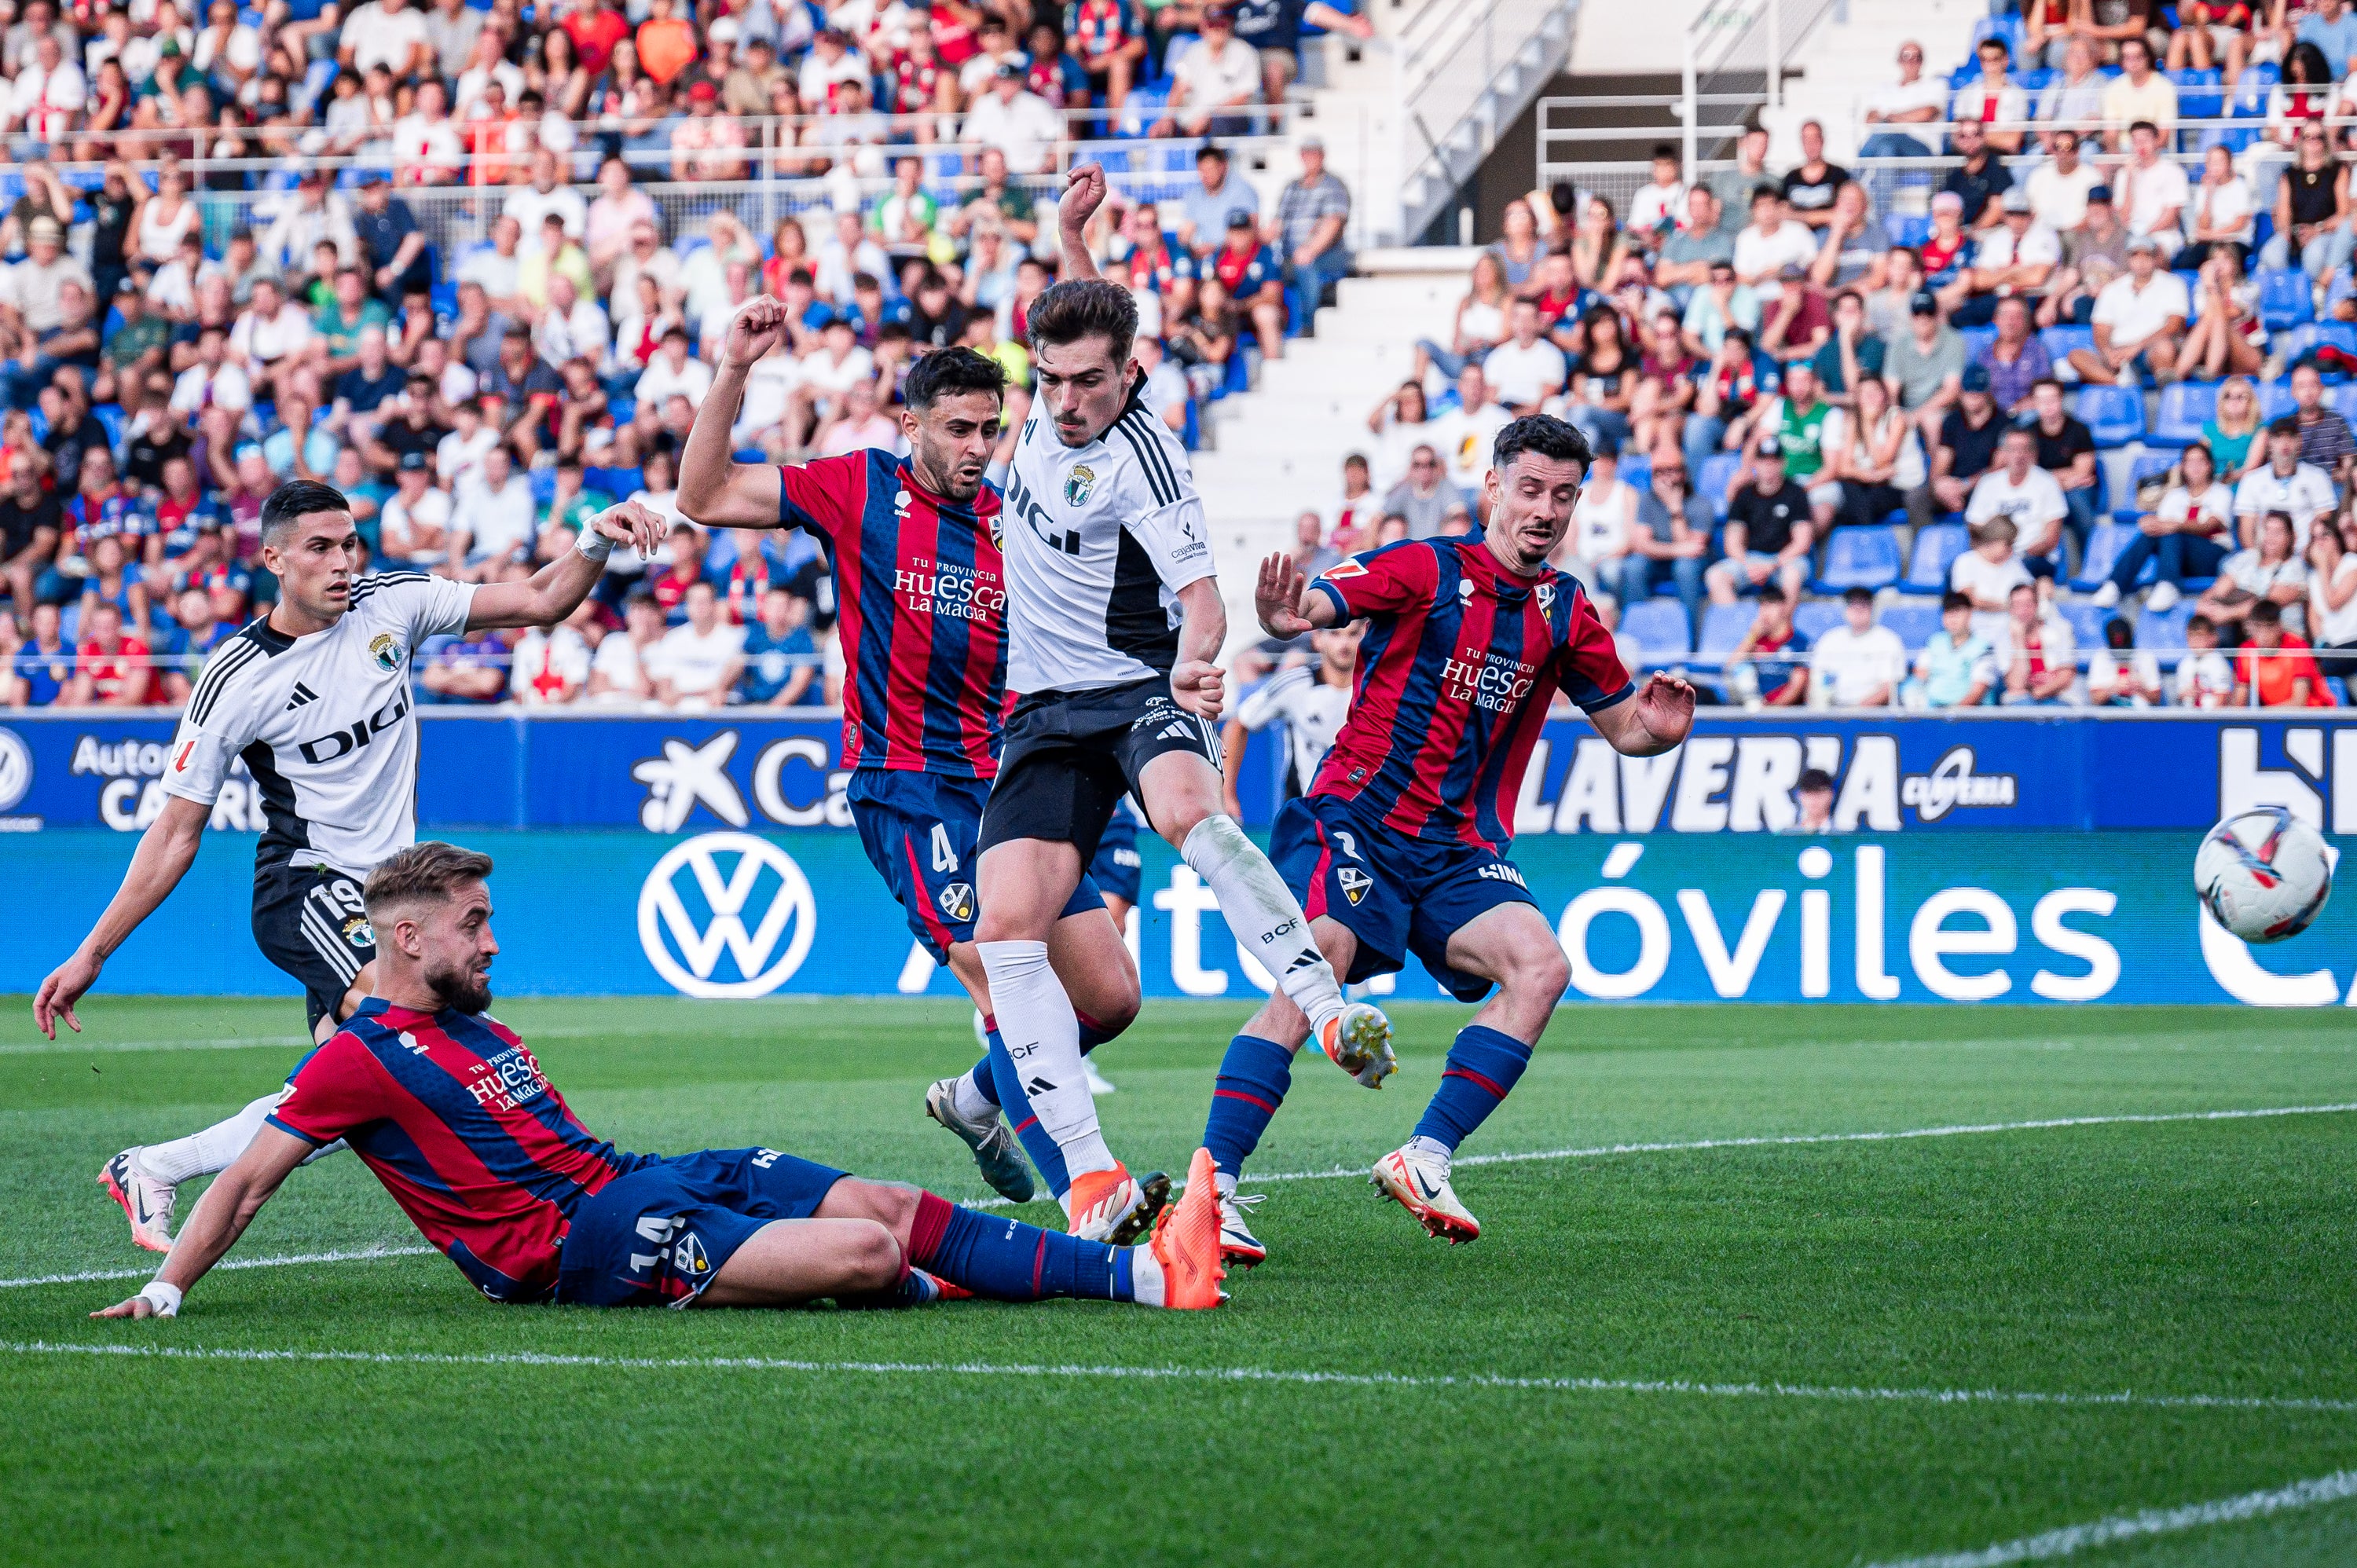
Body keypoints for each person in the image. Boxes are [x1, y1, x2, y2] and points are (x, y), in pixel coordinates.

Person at [91, 843, 1226, 1321]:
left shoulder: (479, 1031)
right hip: (576, 1252)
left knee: (884, 1205)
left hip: (635, 1185)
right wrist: (169, 1290)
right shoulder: (359, 1059)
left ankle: (1141, 1276)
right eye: (472, 924)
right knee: (876, 1252)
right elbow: (247, 1182)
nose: (491, 942)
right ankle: (961, 1284)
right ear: (403, 934)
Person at [39, 481, 663, 1253]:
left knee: (372, 1082)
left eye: (350, 544)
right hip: (308, 885)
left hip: (396, 887)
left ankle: (156, 1165)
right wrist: (91, 952)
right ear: (273, 558)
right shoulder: (234, 677)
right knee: (416, 1043)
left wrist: (595, 539)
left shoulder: (392, 602)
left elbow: (539, 597)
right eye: (321, 548)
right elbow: (174, 833)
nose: (343, 563)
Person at [1193, 413, 1693, 1255]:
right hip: (1358, 819)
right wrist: (1286, 616)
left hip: (1460, 850)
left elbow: (1626, 730)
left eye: (1563, 496)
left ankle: (1423, 1157)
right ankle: (1217, 1190)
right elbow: (1318, 603)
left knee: (1542, 968)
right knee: (1322, 960)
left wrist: (1662, 729)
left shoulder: (1564, 609)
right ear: (1492, 488)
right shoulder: (1427, 566)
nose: (1544, 510)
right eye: (1530, 489)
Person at [1225, 620, 1361, 808]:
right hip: (1306, 811)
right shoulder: (1295, 684)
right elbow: (1239, 723)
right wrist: (1226, 793)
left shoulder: (1380, 689)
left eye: (1352, 634)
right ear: (1318, 639)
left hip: (1363, 810)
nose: (1344, 644)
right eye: (1335, 634)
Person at [2093, 439, 2235, 610]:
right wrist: (2149, 523)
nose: (2195, 467)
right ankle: (2115, 585)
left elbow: (2210, 525)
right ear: (2182, 467)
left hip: (2212, 555)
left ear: (2210, 466)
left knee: (2171, 531)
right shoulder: (2174, 496)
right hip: (2179, 559)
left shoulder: (2221, 492)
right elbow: (2161, 527)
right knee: (2153, 534)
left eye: (2200, 461)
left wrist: (2174, 525)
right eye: (2190, 462)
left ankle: (2168, 584)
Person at [2066, 236, 2188, 386]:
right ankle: (2119, 383)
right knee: (2076, 356)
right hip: (2119, 350)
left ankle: (2163, 390)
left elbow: (2173, 325)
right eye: (2135, 255)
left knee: (2165, 348)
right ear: (2128, 259)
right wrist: (2107, 352)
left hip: (2151, 348)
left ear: (2154, 258)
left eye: (2146, 255)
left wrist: (2136, 347)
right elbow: (2101, 329)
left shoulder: (2173, 284)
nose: (2141, 261)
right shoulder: (2112, 289)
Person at [1706, 434, 1813, 604]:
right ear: (1755, 463)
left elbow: (1802, 542)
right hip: (1751, 559)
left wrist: (1772, 565)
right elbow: (1732, 542)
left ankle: (1782, 628)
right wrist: (1748, 565)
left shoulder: (1796, 494)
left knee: (1792, 576)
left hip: (1784, 560)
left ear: (1783, 463)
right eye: (1764, 461)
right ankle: (1740, 627)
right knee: (1715, 576)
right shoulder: (1744, 495)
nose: (1769, 467)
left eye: (1774, 461)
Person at [1272, 136, 1351, 336]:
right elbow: (1276, 225)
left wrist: (1310, 250)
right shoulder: (1291, 188)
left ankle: (1309, 325)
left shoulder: (1333, 186)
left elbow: (1333, 224)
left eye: (1314, 154)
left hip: (1327, 255)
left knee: (1305, 265)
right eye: (1306, 153)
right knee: (1262, 267)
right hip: (1290, 255)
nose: (1310, 158)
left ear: (1322, 156)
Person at [1618, 448, 1708, 623]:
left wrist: (1675, 509)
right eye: (1659, 472)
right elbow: (1641, 545)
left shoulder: (1701, 504)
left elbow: (1694, 549)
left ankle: (1690, 636)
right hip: (1658, 561)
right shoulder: (1646, 500)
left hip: (1692, 564)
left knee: (1685, 567)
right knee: (1634, 566)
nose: (1666, 477)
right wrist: (1679, 550)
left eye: (1672, 470)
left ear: (1684, 473)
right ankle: (1636, 628)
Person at [2261, 125, 2352, 281]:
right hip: (2297, 231)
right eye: (2307, 137)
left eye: (2319, 137)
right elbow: (2283, 211)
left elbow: (2344, 213)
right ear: (2300, 141)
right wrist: (2288, 232)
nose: (2313, 141)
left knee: (2314, 256)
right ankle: (2291, 293)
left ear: (2325, 141)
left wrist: (2318, 229)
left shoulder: (2338, 170)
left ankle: (2315, 297)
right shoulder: (2289, 174)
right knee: (2271, 254)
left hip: (2326, 231)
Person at [2200, 508, 2310, 636]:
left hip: (2282, 636)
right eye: (2267, 530)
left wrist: (2227, 613)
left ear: (2291, 537)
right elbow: (2218, 590)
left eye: (2278, 532)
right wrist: (2205, 605)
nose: (2270, 537)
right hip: (2243, 630)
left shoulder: (2295, 566)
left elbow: (2266, 604)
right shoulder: (2248, 558)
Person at [2232, 416, 2337, 544]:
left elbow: (2324, 521)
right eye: (2279, 437)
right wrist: (2254, 557)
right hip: (2264, 554)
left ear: (2299, 441)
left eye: (2290, 437)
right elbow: (2246, 527)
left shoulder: (2317, 477)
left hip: (2305, 554)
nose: (2285, 443)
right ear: (2269, 442)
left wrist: (2309, 554)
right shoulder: (2252, 480)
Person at [1806, 587, 1904, 706]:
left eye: (1863, 604)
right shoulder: (1830, 639)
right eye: (1852, 604)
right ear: (1845, 609)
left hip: (1873, 714)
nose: (1858, 609)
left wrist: (1856, 711)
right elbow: (1817, 679)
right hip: (1833, 710)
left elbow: (1888, 688)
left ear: (1872, 608)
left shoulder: (1888, 640)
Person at [2234, 599, 2337, 705]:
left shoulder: (2298, 648)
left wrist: (2261, 716)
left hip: (2314, 715)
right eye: (2258, 628)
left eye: (2269, 627)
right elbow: (2239, 702)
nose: (2264, 635)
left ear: (2279, 627)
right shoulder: (2247, 651)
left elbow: (2299, 702)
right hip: (2274, 717)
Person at [1906, 591, 1995, 709]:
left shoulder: (1984, 648)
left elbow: (1978, 691)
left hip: (1967, 717)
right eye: (1948, 612)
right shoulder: (1934, 642)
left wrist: (1952, 715)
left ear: (1970, 614)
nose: (1952, 618)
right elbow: (1920, 674)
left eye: (1957, 612)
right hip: (1933, 711)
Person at [1995, 581, 2078, 705]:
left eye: (2028, 604)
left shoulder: (2061, 629)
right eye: (2018, 605)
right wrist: (2019, 640)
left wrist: (2039, 692)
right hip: (2022, 701)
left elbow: (2066, 676)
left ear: (2037, 605)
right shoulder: (2003, 637)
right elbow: (2017, 684)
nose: (2023, 610)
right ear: (2010, 609)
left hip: (2058, 696)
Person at [1858, 41, 1944, 158]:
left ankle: (1859, 167)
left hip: (1921, 145)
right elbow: (1870, 119)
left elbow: (1927, 113)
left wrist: (1889, 119)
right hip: (1889, 142)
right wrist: (1903, 118)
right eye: (1906, 56)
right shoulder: (1885, 88)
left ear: (1922, 61)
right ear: (1899, 60)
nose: (1911, 61)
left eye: (1917, 57)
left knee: (1885, 128)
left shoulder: (1935, 85)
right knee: (1886, 148)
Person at [2307, 512, 2357, 677]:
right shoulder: (2314, 577)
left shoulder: (2351, 563)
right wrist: (2320, 642)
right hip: (2332, 647)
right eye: (2314, 538)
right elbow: (2314, 616)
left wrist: (2322, 565)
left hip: (2353, 640)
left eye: (2324, 535)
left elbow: (2333, 602)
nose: (2319, 542)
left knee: (2330, 665)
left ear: (2336, 538)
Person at [2087, 617, 2165, 705]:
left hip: (2140, 714)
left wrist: (2140, 689)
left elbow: (2156, 699)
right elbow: (2095, 699)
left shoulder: (2146, 657)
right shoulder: (2100, 658)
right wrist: (2113, 689)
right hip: (2109, 714)